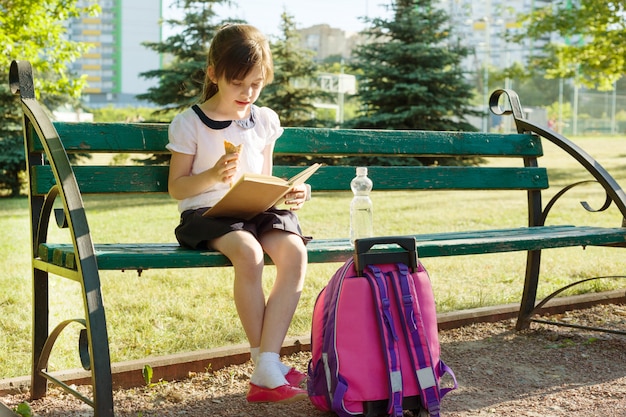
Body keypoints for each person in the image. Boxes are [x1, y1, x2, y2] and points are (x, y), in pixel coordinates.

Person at [166, 24, 310, 404]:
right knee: (248, 253)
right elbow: (176, 188)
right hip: (207, 213)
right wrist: (212, 174)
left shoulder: (263, 120)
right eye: (238, 84)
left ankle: (267, 361)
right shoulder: (190, 122)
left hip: (254, 208)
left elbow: (263, 176)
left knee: (294, 252)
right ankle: (266, 365)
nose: (248, 94)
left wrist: (290, 190)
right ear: (214, 74)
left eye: (256, 84)